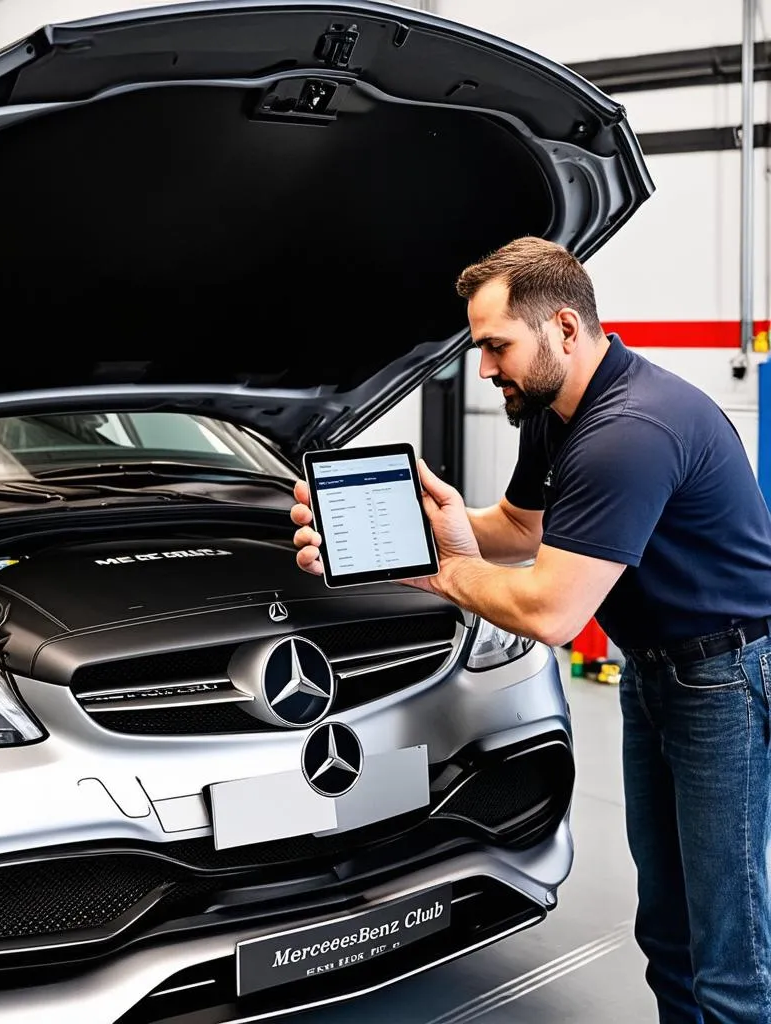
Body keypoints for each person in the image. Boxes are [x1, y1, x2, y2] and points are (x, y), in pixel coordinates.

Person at [290, 236, 771, 1024]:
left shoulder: (631, 431)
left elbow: (552, 610)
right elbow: (516, 526)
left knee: (729, 942)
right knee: (670, 924)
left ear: (565, 330)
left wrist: (438, 572)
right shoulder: (559, 411)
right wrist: (424, 524)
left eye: (494, 346)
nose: (484, 368)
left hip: (726, 677)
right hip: (660, 672)